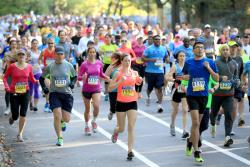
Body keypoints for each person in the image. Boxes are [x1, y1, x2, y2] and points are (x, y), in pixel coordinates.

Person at [182, 38, 219, 163]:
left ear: (204, 50)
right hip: (192, 96)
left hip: (204, 96)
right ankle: (197, 151)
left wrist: (208, 68)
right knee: (196, 123)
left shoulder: (209, 61)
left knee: (197, 124)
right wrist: (184, 77)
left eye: (202, 47)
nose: (200, 49)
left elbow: (217, 78)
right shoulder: (188, 62)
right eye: (197, 47)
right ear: (193, 50)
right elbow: (182, 76)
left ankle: (189, 142)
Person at [39, 46, 77, 146]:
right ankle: (60, 138)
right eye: (58, 54)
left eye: (61, 54)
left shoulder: (69, 65)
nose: (59, 56)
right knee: (57, 115)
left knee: (67, 119)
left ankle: (62, 121)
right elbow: (41, 78)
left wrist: (72, 83)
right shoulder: (50, 66)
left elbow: (75, 76)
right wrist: (44, 88)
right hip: (54, 93)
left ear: (64, 55)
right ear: (54, 55)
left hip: (66, 93)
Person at [109, 54, 142, 161]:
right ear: (122, 62)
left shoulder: (134, 73)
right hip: (121, 103)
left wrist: (140, 81)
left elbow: (138, 83)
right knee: (122, 128)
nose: (127, 63)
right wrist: (119, 82)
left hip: (132, 102)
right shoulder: (117, 73)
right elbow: (110, 88)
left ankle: (130, 151)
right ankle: (116, 131)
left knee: (131, 127)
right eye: (125, 61)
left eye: (129, 61)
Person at [3, 49, 38, 142]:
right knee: (15, 115)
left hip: (25, 92)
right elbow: (5, 77)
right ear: (17, 57)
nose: (21, 56)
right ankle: (13, 117)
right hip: (14, 92)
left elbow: (31, 78)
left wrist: (37, 81)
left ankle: (20, 134)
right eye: (19, 55)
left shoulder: (29, 67)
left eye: (23, 55)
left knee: (23, 114)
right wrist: (7, 87)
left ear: (26, 57)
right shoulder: (12, 66)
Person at [210, 44, 238, 147]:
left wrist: (236, 82)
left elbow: (236, 77)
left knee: (228, 114)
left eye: (227, 50)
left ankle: (227, 137)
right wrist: (221, 78)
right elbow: (212, 77)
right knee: (213, 113)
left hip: (229, 94)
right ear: (220, 52)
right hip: (217, 93)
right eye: (224, 50)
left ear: (229, 51)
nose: (226, 51)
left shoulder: (234, 63)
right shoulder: (215, 63)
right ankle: (212, 123)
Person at [78, 47, 110, 135]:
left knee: (96, 106)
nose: (92, 54)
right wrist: (82, 78)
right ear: (88, 53)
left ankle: (94, 121)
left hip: (96, 88)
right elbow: (79, 77)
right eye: (90, 52)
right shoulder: (84, 64)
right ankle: (86, 126)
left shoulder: (99, 63)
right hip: (86, 89)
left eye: (93, 52)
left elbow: (101, 74)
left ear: (95, 53)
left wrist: (106, 77)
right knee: (87, 109)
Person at [165, 50, 189, 139]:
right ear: (177, 57)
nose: (182, 57)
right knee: (175, 110)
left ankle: (184, 130)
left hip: (185, 90)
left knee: (185, 110)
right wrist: (175, 80)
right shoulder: (175, 66)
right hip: (176, 90)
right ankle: (172, 124)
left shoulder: (188, 66)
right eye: (180, 56)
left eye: (183, 56)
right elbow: (167, 77)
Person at [142, 35, 168, 113]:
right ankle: (148, 97)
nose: (158, 41)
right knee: (150, 88)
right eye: (156, 39)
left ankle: (160, 105)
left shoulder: (163, 48)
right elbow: (142, 58)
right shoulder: (149, 49)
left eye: (159, 39)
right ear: (153, 40)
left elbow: (166, 57)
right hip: (150, 71)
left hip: (160, 71)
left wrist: (166, 61)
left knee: (159, 87)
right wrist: (151, 60)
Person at [38, 37, 56, 113]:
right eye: (49, 43)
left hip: (55, 72)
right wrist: (41, 65)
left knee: (54, 89)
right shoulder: (43, 51)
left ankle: (52, 104)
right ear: (47, 43)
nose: (50, 44)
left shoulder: (56, 51)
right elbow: (39, 59)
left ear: (54, 43)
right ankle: (47, 104)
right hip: (47, 72)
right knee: (48, 88)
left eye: (52, 43)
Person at [105, 52, 122, 120]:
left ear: (118, 59)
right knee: (113, 107)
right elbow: (105, 77)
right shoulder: (111, 67)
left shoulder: (123, 66)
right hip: (113, 90)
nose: (111, 59)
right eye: (111, 57)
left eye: (113, 58)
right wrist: (111, 80)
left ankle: (119, 123)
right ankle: (112, 112)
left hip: (122, 90)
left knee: (120, 107)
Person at [28, 39, 42, 111]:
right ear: (31, 44)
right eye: (33, 43)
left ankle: (35, 105)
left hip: (38, 72)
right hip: (30, 72)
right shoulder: (29, 52)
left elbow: (42, 62)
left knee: (36, 88)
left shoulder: (40, 52)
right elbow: (27, 62)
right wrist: (31, 66)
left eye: (36, 43)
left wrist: (39, 66)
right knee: (31, 88)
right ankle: (31, 102)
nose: (35, 45)